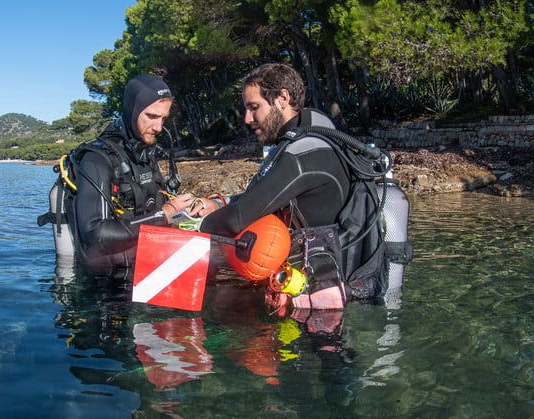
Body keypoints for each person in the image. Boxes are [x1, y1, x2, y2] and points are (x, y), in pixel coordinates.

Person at [187, 63, 387, 310]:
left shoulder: (303, 154)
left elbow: (235, 220)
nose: (247, 119)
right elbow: (264, 196)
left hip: (322, 300)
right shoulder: (310, 138)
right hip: (314, 284)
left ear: (283, 98)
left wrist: (190, 228)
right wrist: (220, 202)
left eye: (254, 108)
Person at [63, 73, 193, 274]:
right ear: (132, 111)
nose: (159, 127)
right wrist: (162, 216)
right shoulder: (97, 159)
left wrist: (184, 210)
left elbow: (159, 206)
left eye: (163, 118)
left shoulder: (143, 153)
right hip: (107, 286)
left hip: (143, 265)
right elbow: (95, 232)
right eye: (151, 116)